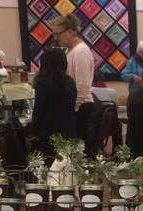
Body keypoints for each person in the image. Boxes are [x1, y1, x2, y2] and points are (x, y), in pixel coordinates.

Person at [50, 14, 95, 147]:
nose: (56, 38)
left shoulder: (80, 53)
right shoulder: (71, 51)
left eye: (57, 34)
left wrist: (72, 110)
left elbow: (82, 86)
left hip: (81, 108)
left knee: (78, 149)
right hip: (75, 107)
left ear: (71, 32)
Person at [30, 47, 77, 160]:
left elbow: (38, 111)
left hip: (48, 134)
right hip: (69, 131)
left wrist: (33, 132)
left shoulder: (42, 82)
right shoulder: (70, 82)